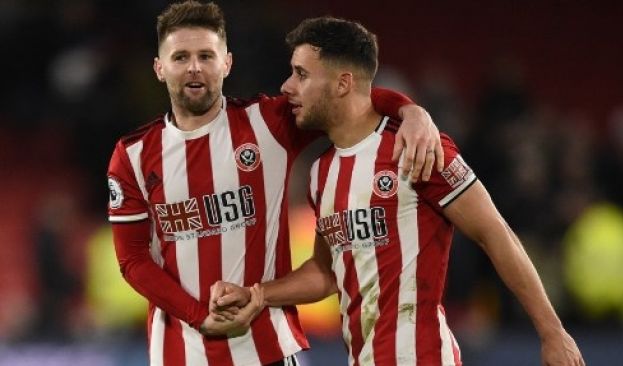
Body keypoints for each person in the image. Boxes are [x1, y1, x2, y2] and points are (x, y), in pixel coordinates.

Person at [210, 17, 586, 366]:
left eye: (301, 74)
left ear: (342, 83)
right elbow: (326, 274)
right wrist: (257, 294)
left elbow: (495, 233)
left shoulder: (418, 149)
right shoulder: (320, 173)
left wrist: (552, 331)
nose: (287, 86)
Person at [106, 1, 442, 365]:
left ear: (227, 63)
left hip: (270, 350)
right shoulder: (133, 155)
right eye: (180, 57)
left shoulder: (267, 124)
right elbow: (132, 259)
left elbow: (345, 96)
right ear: (159, 67)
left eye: (206, 55)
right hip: (179, 354)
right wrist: (199, 315)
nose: (194, 68)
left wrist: (410, 111)